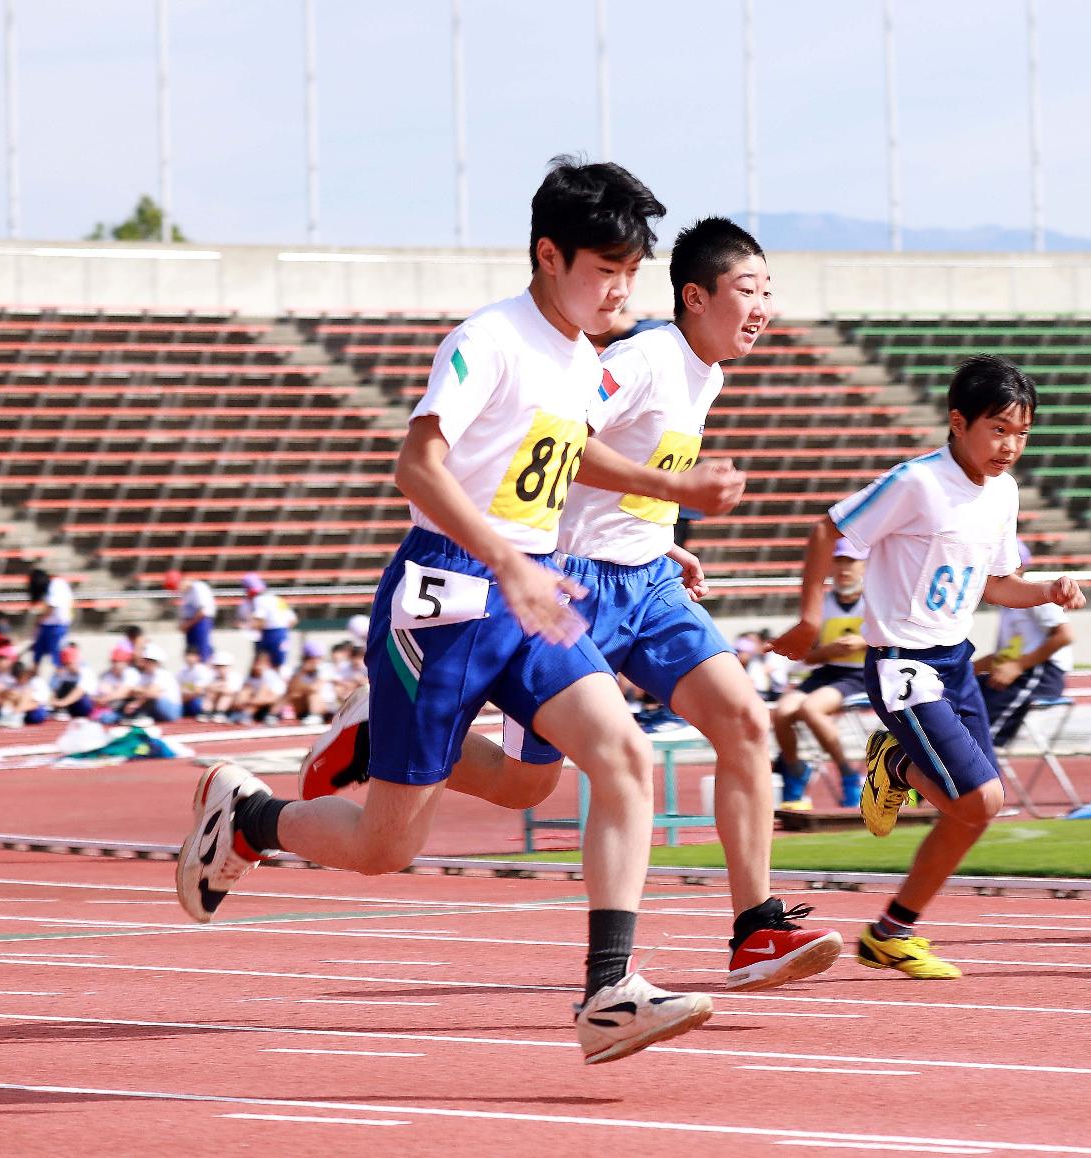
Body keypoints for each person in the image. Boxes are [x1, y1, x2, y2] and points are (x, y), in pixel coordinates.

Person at [176, 157, 714, 1064]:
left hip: (534, 587)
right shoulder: (489, 339)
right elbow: (417, 467)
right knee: (388, 847)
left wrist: (662, 511)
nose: (622, 290)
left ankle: (609, 991)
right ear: (549, 254)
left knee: (597, 761)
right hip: (449, 597)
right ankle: (251, 820)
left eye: (632, 273)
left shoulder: (585, 358)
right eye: (605, 270)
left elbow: (565, 457)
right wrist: (508, 558)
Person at [300, 215, 841, 991]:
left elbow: (603, 467)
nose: (763, 307)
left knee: (745, 720)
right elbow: (564, 448)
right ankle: (379, 729)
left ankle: (752, 930)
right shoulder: (637, 358)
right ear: (695, 296)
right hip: (572, 583)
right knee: (527, 787)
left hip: (646, 583)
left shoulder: (707, 373)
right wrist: (671, 492)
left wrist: (660, 526)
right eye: (749, 290)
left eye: (769, 292)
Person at [775, 355, 1086, 979]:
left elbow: (997, 583)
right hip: (900, 662)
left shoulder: (1004, 492)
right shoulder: (917, 483)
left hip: (955, 661)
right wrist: (809, 618)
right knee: (983, 795)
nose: (1010, 446)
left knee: (975, 812)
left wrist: (1048, 588)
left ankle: (892, 932)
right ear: (958, 422)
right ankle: (895, 760)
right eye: (998, 429)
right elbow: (827, 529)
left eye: (1022, 433)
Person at [770, 539, 870, 810]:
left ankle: (848, 774)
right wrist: (828, 651)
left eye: (850, 562)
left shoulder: (875, 601)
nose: (844, 569)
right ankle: (794, 770)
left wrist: (862, 643)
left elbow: (896, 638)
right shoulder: (823, 604)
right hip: (827, 671)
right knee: (781, 713)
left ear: (864, 566)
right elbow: (808, 656)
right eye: (838, 562)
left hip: (862, 675)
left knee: (811, 709)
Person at [977, 537, 1078, 752]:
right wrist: (963, 672)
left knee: (981, 734)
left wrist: (1018, 666)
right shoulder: (1008, 605)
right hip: (1020, 671)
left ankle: (977, 771)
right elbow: (1004, 655)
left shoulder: (1036, 594)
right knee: (964, 694)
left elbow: (1064, 635)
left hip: (1040, 674)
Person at [237, 574, 295, 667]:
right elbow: (292, 620)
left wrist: (248, 626)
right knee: (279, 664)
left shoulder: (259, 600)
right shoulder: (277, 599)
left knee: (264, 665)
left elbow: (259, 621)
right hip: (281, 633)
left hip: (269, 634)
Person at [26, 567, 74, 671]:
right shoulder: (52, 587)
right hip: (48, 626)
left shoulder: (56, 584)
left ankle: (59, 680)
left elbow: (51, 608)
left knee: (56, 657)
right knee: (37, 656)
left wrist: (39, 621)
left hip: (57, 627)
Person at [166, 570, 218, 662]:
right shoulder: (187, 592)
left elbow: (202, 612)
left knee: (202, 651)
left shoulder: (198, 588)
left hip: (200, 622)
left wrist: (187, 624)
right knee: (191, 653)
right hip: (192, 623)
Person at [230, 648, 288, 724]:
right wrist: (242, 701)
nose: (258, 666)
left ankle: (246, 714)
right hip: (253, 706)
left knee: (263, 689)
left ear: (267, 665)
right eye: (256, 663)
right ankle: (241, 713)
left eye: (261, 663)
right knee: (247, 689)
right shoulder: (250, 677)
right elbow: (240, 696)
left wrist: (250, 701)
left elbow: (274, 698)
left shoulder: (271, 676)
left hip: (270, 708)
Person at [284, 641, 335, 723]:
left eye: (317, 657)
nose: (314, 660)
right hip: (305, 705)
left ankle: (315, 715)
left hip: (326, 704)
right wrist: (302, 672)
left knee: (312, 694)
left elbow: (315, 688)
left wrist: (301, 687)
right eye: (310, 658)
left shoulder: (326, 668)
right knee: (293, 694)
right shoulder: (299, 670)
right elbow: (291, 688)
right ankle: (273, 714)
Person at [48, 643, 92, 721]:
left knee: (84, 700)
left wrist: (61, 703)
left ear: (76, 661)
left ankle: (64, 709)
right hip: (68, 704)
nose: (68, 666)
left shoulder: (86, 672)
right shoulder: (64, 672)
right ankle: (62, 710)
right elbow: (55, 689)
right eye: (66, 664)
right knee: (64, 685)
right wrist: (52, 700)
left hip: (83, 705)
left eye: (70, 663)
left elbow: (80, 691)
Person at [176, 646, 217, 721]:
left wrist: (186, 688)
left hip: (200, 700)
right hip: (185, 700)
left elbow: (198, 690)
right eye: (188, 655)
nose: (190, 658)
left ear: (198, 657)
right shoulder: (182, 671)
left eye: (192, 655)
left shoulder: (202, 670)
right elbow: (176, 688)